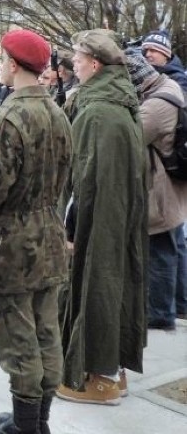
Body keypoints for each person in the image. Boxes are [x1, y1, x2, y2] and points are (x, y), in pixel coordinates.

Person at [0, 30, 72, 434]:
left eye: (3, 59)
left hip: (11, 240)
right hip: (48, 233)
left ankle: (24, 431)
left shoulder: (7, 118)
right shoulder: (57, 113)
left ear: (12, 63)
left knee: (17, 335)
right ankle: (37, 422)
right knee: (46, 330)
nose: (0, 66)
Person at [58, 30, 147, 406]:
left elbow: (82, 182)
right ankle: (114, 370)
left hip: (101, 222)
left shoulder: (97, 113)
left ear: (95, 64)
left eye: (77, 59)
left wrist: (69, 228)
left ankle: (100, 378)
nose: (72, 65)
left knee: (99, 283)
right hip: (117, 218)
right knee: (116, 282)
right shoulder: (119, 105)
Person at [124, 49, 187, 332]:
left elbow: (129, 138)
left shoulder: (155, 105)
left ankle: (161, 312)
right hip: (170, 185)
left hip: (160, 189)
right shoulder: (168, 86)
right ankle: (177, 305)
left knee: (162, 250)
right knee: (173, 245)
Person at [141, 29, 187, 94]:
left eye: (153, 50)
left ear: (166, 55)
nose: (147, 54)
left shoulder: (179, 80)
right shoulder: (142, 72)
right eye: (146, 50)